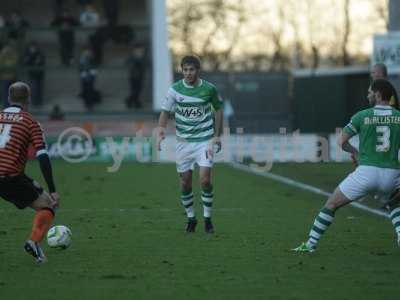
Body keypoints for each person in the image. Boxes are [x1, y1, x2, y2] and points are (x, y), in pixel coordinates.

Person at [293, 79, 400, 252]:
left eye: (370, 92)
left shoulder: (362, 116)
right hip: (392, 174)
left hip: (367, 172)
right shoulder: (398, 117)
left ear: (378, 94)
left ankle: (310, 244)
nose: (368, 95)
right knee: (394, 203)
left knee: (331, 204)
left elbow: (341, 141)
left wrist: (356, 152)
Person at [157, 55, 223, 233]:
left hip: (205, 141)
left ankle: (208, 219)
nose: (188, 73)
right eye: (185, 70)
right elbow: (164, 112)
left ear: (198, 70)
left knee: (205, 179)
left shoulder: (209, 89)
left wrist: (217, 135)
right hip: (183, 143)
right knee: (185, 183)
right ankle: (191, 218)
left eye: (191, 69)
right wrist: (160, 132)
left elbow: (218, 109)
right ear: (182, 70)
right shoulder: (175, 90)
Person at [0, 82, 59, 263]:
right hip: (9, 178)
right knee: (47, 205)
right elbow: (42, 157)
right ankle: (33, 242)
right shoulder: (30, 122)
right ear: (28, 99)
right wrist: (53, 188)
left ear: (9, 98)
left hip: (11, 174)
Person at [23, 42, 46, 107]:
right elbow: (26, 63)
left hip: (39, 74)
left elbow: (41, 62)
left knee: (39, 88)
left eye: (34, 48)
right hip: (32, 74)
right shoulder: (28, 54)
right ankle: (34, 102)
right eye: (32, 48)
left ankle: (39, 101)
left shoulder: (40, 54)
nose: (33, 49)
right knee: (34, 88)